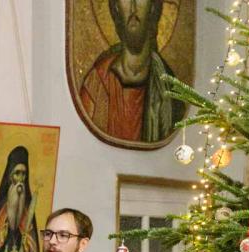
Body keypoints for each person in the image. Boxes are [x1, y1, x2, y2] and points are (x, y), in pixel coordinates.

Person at [79, 0, 185, 144]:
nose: (133, 9)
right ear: (116, 7)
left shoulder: (171, 93)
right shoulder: (96, 85)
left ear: (153, 7)